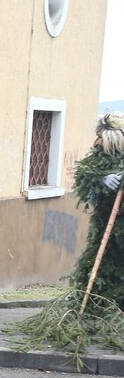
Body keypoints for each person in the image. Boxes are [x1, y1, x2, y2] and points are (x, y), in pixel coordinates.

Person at [70, 112, 124, 309]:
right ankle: (96, 306)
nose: (96, 142)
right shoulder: (98, 158)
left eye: (100, 137)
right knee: (100, 263)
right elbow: (84, 176)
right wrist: (101, 179)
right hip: (104, 224)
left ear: (112, 138)